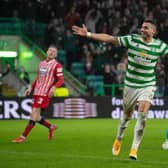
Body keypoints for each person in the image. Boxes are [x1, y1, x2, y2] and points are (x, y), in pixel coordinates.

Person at [72, 19, 168, 160]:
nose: (142, 30)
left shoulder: (160, 46)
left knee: (142, 117)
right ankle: (119, 138)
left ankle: (134, 149)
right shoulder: (132, 40)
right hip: (130, 85)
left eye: (146, 28)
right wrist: (89, 34)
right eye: (141, 27)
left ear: (153, 31)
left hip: (147, 85)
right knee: (126, 117)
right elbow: (111, 39)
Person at [12, 45, 64, 143]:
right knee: (37, 116)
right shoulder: (41, 64)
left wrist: (53, 87)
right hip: (37, 92)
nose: (51, 52)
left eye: (54, 51)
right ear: (47, 51)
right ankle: (51, 126)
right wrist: (31, 87)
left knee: (34, 113)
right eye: (50, 50)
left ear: (56, 55)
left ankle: (22, 137)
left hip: (45, 93)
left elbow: (61, 80)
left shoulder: (57, 65)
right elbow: (38, 78)